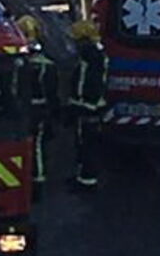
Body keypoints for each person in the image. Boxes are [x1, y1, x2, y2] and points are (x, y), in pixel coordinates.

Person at [15, 16, 59, 196]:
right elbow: (52, 92)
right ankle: (36, 179)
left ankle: (33, 180)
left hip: (23, 110)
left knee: (29, 146)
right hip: (40, 110)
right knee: (38, 146)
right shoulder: (47, 65)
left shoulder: (18, 62)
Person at [67, 19, 107, 190]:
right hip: (93, 107)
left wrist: (76, 104)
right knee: (86, 145)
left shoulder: (89, 58)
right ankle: (82, 176)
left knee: (86, 146)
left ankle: (86, 181)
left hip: (87, 109)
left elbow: (84, 84)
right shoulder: (97, 54)